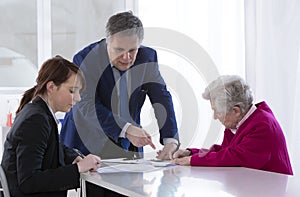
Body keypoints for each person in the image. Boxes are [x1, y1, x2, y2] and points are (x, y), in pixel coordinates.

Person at [60, 11, 179, 160]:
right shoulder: (85, 59)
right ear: (107, 42)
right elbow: (86, 104)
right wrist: (126, 129)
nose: (126, 57)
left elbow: (161, 97)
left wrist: (170, 141)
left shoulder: (147, 57)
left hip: (129, 146)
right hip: (87, 142)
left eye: (132, 50)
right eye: (119, 50)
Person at [1, 56, 102, 197]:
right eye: (72, 91)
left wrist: (74, 157)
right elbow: (29, 181)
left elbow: (50, 147)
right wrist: (77, 168)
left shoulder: (39, 112)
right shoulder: (36, 120)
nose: (78, 98)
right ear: (51, 87)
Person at [172, 75, 293, 175]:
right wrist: (192, 153)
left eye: (218, 112)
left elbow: (234, 157)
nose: (215, 117)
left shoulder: (263, 125)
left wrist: (193, 160)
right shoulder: (239, 122)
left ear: (236, 111)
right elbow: (227, 151)